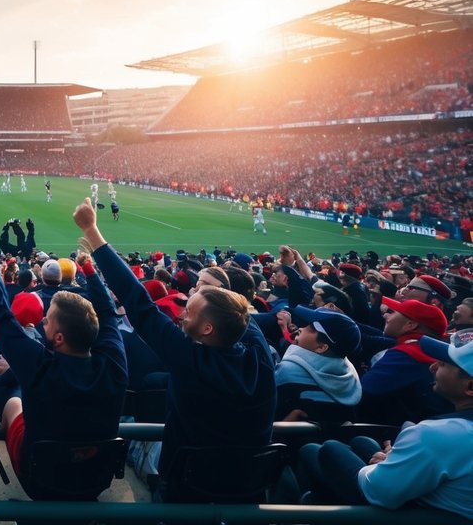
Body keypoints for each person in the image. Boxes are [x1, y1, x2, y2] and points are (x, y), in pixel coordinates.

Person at [75, 198, 275, 491]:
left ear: (207, 328)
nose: (181, 316)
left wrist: (92, 231)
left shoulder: (190, 358)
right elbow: (239, 314)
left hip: (189, 483)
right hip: (247, 482)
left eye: (189, 312)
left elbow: (139, 302)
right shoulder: (261, 356)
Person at [0, 209, 127, 486]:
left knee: (14, 403)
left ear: (59, 338)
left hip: (39, 477)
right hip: (95, 477)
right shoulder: (114, 366)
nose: (43, 322)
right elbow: (108, 315)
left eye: (48, 320)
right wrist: (88, 269)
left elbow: (1, 315)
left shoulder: (38, 366)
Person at [295, 328, 473, 518]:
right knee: (361, 442)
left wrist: (381, 465)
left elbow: (379, 493)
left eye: (444, 364)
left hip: (401, 512)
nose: (432, 367)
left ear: (470, 387)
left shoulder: (438, 434)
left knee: (326, 449)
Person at [274, 306, 362, 424]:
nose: (301, 328)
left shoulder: (286, 371)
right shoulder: (351, 375)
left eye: (311, 328)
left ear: (321, 347)